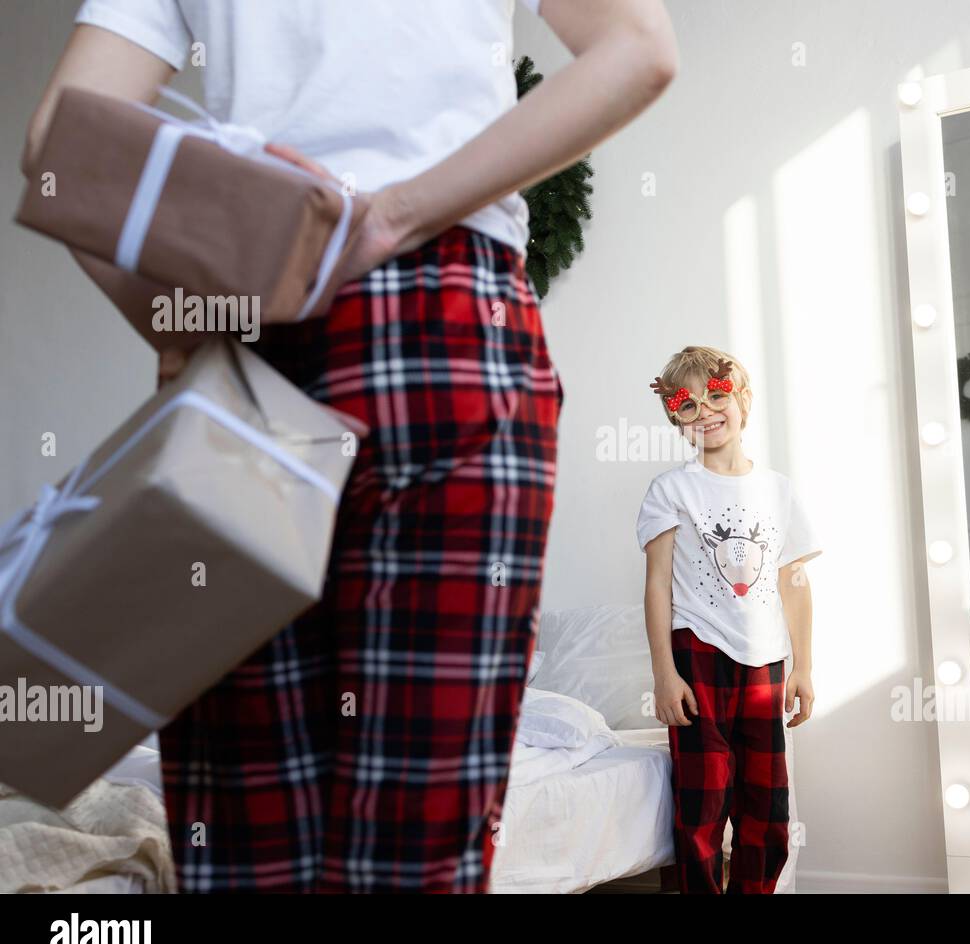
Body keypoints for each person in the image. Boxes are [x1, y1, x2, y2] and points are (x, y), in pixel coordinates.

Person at [22, 0, 677, 893]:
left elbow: (58, 147)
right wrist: (397, 214)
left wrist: (181, 328)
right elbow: (639, 50)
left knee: (247, 843)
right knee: (420, 843)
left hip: (256, 332)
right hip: (450, 331)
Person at [637, 345, 820, 893]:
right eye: (687, 406)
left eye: (716, 396)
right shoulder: (671, 490)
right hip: (698, 655)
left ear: (741, 400)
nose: (706, 411)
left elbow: (795, 582)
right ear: (675, 418)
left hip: (765, 660)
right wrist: (665, 675)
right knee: (703, 799)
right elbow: (656, 585)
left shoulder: (777, 489)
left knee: (767, 808)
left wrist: (803, 667)